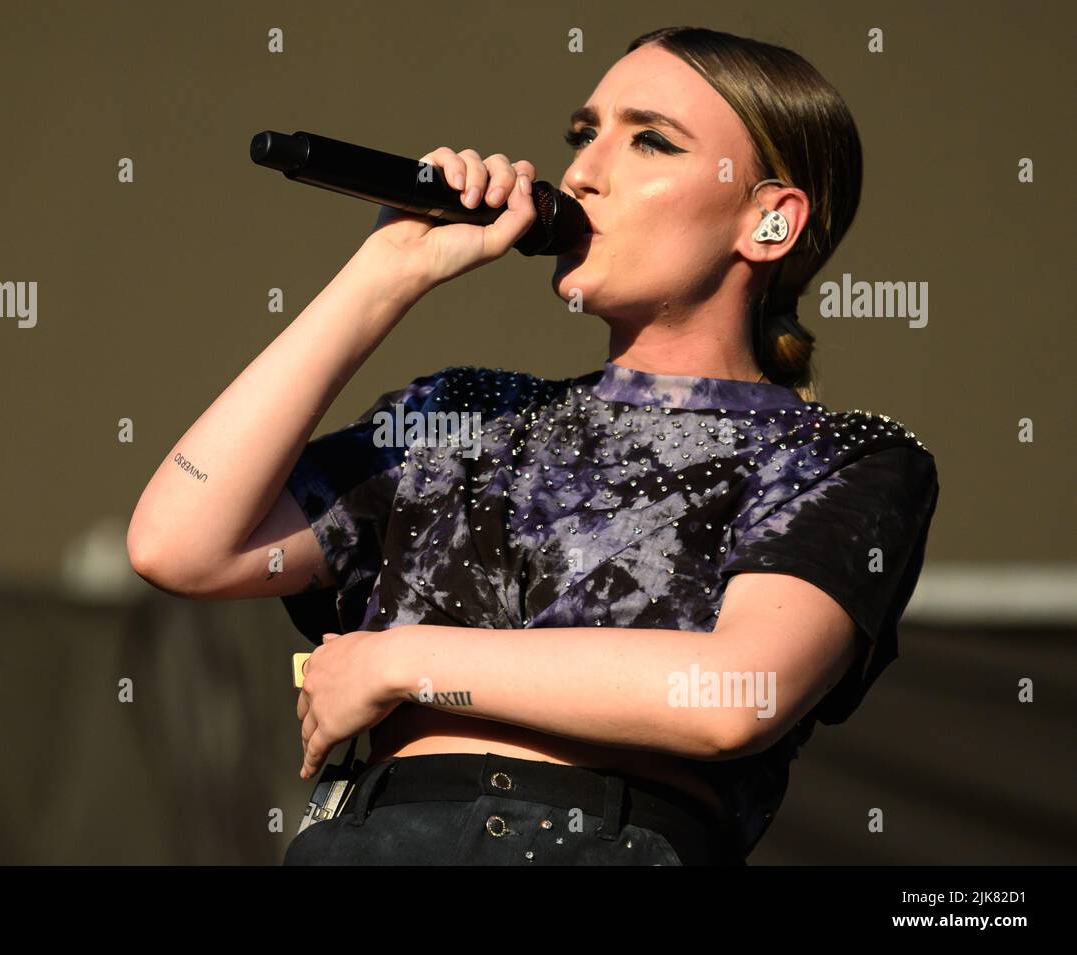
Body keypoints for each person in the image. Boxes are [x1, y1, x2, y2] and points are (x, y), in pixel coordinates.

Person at [126, 25, 939, 865]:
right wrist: (384, 273)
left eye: (650, 139)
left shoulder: (838, 454)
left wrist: (404, 662)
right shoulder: (466, 411)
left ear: (770, 221)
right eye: (584, 134)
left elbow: (737, 691)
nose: (583, 171)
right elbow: (179, 545)